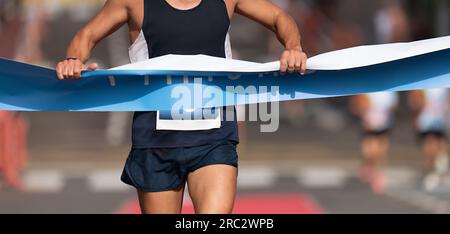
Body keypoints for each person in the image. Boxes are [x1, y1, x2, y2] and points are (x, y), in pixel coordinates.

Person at [55, 0, 307, 214]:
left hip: (214, 138)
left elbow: (279, 17)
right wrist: (73, 60)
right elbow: (85, 37)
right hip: (155, 143)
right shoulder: (134, 3)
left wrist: (293, 47)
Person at [350, 92, 399, 193]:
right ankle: (369, 168)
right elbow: (357, 105)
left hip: (384, 124)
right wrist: (362, 112)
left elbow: (393, 106)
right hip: (369, 124)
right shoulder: (367, 91)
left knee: (381, 151)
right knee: (370, 151)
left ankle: (377, 174)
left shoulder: (389, 93)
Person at [409, 89, 450, 191]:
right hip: (433, 117)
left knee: (434, 144)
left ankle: (434, 169)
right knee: (434, 144)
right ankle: (434, 169)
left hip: (434, 117)